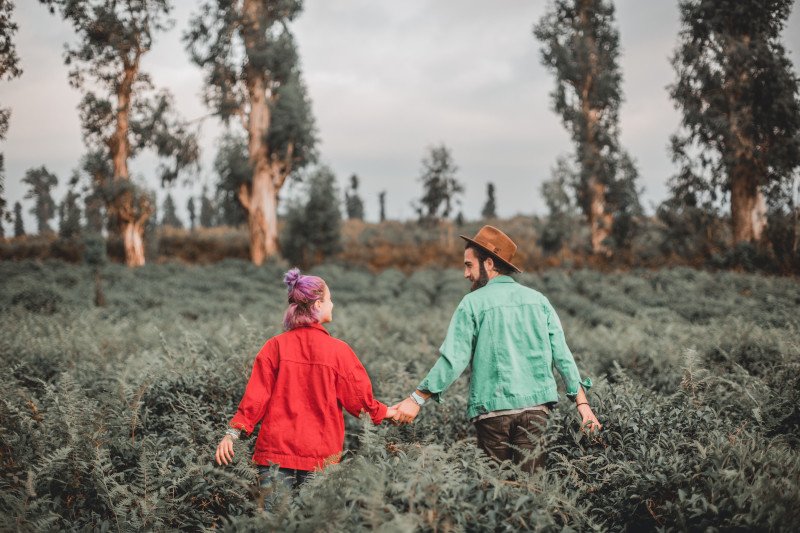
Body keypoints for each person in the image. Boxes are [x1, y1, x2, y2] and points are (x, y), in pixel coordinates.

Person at [391, 225, 601, 473]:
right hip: (536, 411)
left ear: (489, 264)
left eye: (469, 265)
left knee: (496, 492)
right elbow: (563, 355)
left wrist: (416, 399)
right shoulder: (539, 301)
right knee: (531, 492)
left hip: (493, 413)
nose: (465, 273)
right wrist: (582, 405)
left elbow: (453, 359)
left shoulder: (472, 303)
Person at [214, 268, 396, 507]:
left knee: (274, 525)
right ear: (318, 304)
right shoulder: (339, 351)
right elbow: (360, 402)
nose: (333, 304)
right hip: (321, 457)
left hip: (275, 455)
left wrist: (232, 433)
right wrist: (388, 412)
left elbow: (255, 398)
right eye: (329, 300)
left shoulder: (274, 347)